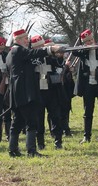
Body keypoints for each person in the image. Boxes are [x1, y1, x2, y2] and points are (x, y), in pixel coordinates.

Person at [6, 28, 63, 157]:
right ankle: (31, 150)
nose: (27, 41)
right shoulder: (18, 50)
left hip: (17, 92)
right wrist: (50, 49)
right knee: (31, 121)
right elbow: (33, 53)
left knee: (18, 122)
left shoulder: (12, 53)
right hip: (24, 92)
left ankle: (13, 149)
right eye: (25, 39)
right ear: (18, 40)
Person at [70, 29, 98, 143]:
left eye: (91, 40)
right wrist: (86, 47)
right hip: (88, 84)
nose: (90, 42)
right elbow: (75, 52)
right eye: (87, 41)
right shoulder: (83, 51)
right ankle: (87, 136)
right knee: (88, 111)